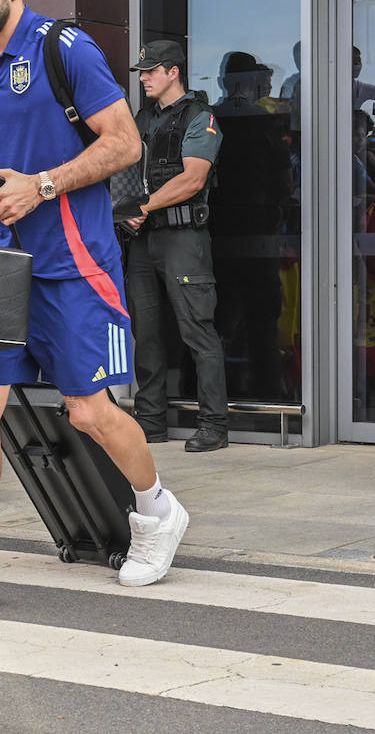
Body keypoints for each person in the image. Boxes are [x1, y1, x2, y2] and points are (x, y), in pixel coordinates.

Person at [0, 0, 190, 614]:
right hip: (4, 264)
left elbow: (123, 144)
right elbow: (0, 175)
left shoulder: (64, 49)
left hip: (74, 262)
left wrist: (45, 185)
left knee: (89, 411)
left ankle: (157, 513)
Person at [123, 40, 229, 453]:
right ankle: (149, 422)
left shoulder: (199, 117)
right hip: (142, 240)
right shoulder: (142, 118)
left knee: (197, 330)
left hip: (183, 238)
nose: (144, 77)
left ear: (173, 72)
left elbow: (193, 179)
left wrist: (142, 206)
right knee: (145, 333)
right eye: (142, 71)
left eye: (151, 70)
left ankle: (213, 425)